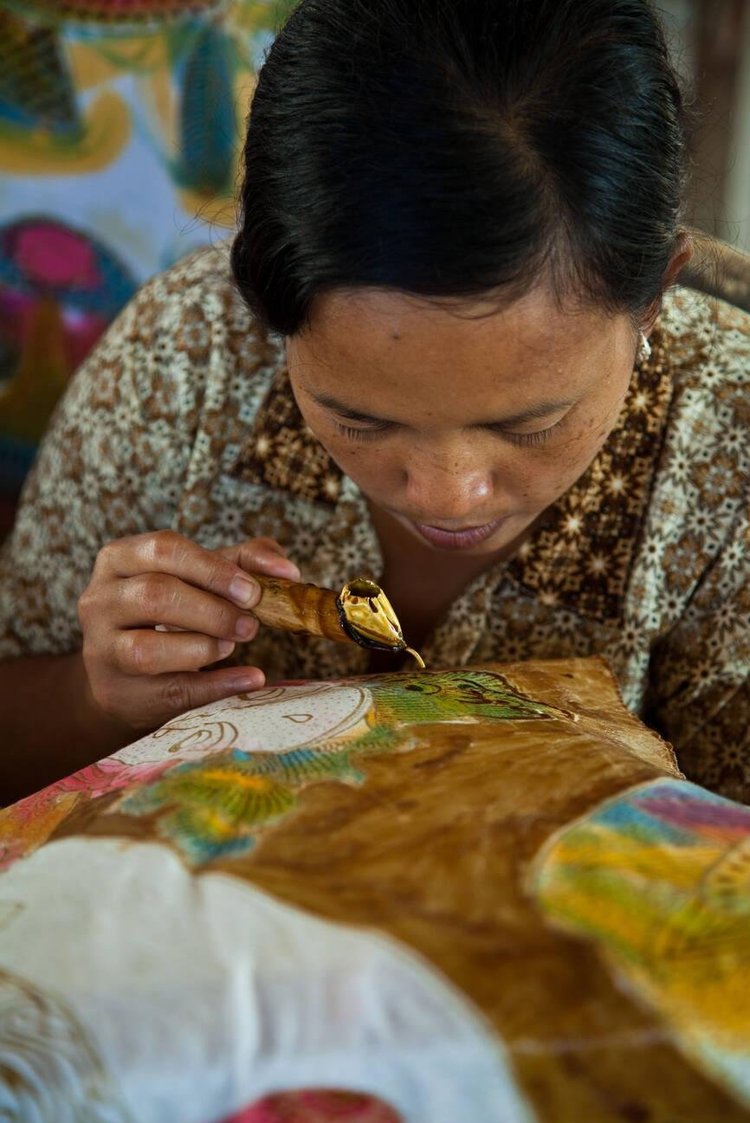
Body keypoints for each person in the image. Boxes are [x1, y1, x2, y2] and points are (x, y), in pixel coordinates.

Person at [0, 0, 748, 806]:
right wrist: (95, 695)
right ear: (265, 305)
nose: (445, 494)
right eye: (359, 419)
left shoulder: (727, 438)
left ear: (654, 298)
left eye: (529, 424)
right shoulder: (184, 357)